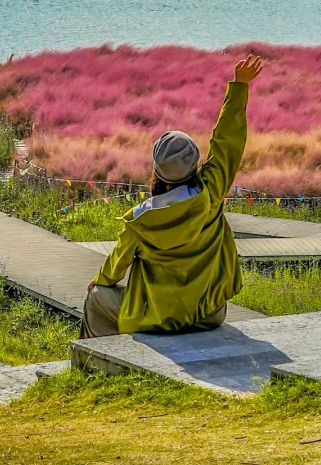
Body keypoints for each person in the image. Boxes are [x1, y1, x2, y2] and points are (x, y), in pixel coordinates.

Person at [81, 51, 264, 338]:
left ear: (157, 171)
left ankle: (102, 358)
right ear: (195, 164)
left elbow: (117, 267)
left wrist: (100, 280)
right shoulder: (211, 192)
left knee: (96, 298)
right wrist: (240, 85)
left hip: (157, 319)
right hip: (208, 314)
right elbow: (227, 142)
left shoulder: (140, 220)